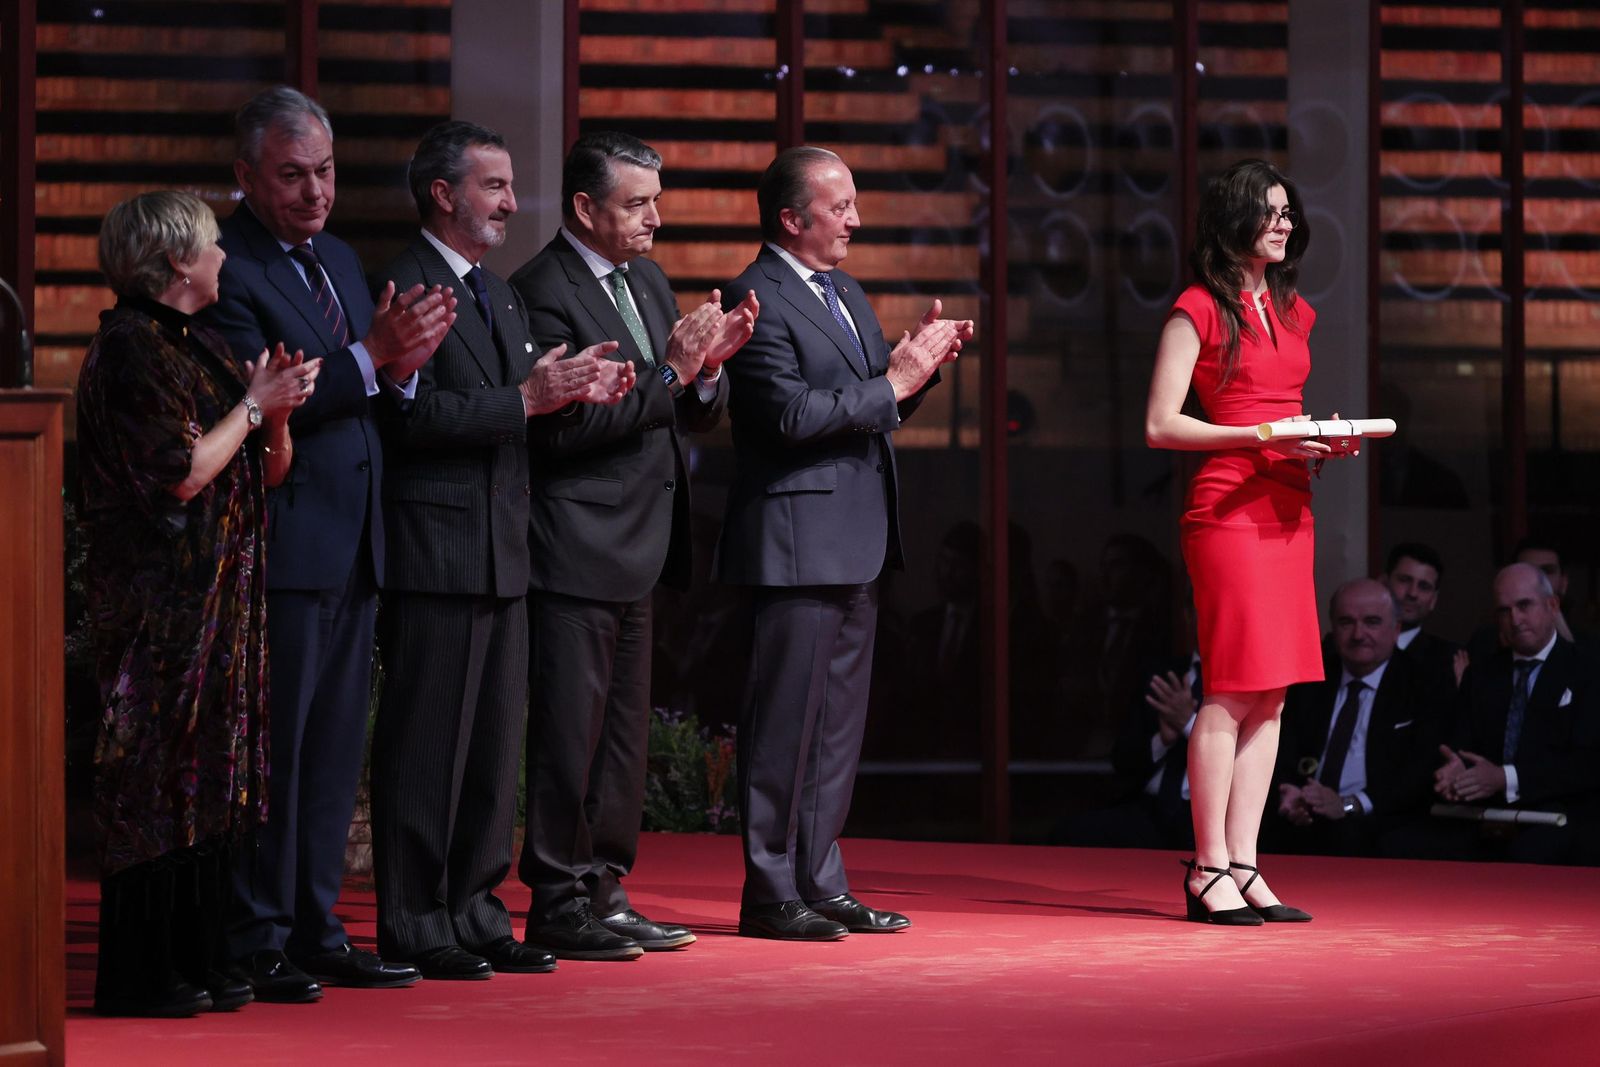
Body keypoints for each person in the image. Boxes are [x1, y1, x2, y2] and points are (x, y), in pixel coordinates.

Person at [200, 86, 454, 1000]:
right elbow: (279, 389)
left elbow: (373, 381)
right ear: (245, 177)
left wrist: (404, 373)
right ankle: (257, 931)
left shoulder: (341, 258)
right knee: (280, 749)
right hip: (284, 538)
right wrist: (373, 358)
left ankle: (316, 924)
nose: (315, 192)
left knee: (335, 749)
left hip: (357, 540)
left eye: (327, 172)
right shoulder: (224, 269)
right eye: (293, 174)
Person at [371, 120, 633, 980]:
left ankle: (478, 907)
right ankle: (416, 918)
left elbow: (521, 402)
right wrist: (526, 400)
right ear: (443, 194)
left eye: (513, 187)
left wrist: (575, 390)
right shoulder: (405, 284)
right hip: (437, 550)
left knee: (490, 749)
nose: (514, 205)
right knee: (427, 748)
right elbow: (410, 417)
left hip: (506, 549)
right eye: (495, 187)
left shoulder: (497, 292)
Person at [507, 132, 754, 960]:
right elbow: (562, 430)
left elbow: (677, 404)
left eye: (656, 199)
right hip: (575, 541)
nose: (655, 217)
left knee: (621, 737)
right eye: (636, 202)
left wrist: (709, 371)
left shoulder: (645, 278)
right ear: (585, 207)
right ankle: (556, 895)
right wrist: (675, 377)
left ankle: (607, 887)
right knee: (568, 733)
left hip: (642, 542)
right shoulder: (541, 290)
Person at [715, 146, 971, 940]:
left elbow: (870, 409)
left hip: (856, 536)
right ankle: (769, 888)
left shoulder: (848, 292)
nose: (856, 221)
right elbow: (788, 416)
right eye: (841, 208)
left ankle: (820, 878)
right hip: (794, 541)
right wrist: (891, 384)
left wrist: (914, 374)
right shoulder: (753, 296)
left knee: (835, 730)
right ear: (793, 220)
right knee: (783, 723)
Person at [78, 190, 319, 1016]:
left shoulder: (202, 345)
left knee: (214, 781)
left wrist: (274, 416)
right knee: (157, 782)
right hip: (160, 613)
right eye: (214, 246)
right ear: (178, 260)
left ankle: (206, 955)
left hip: (221, 605)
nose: (226, 259)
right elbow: (178, 471)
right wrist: (254, 408)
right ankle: (145, 972)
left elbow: (264, 466)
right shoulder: (129, 349)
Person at [1144, 158, 1331, 925]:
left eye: (1289, 211)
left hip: (1289, 504)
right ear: (1233, 221)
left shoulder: (1295, 310)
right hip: (1227, 508)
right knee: (1229, 687)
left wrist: (1316, 440)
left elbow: (1286, 409)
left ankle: (1247, 862)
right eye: (1269, 210)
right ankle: (1207, 865)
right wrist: (1261, 435)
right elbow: (1161, 423)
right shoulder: (1198, 307)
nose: (1284, 222)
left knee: (1274, 691)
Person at [1408, 563, 1600, 864]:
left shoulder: (1588, 670)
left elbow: (1588, 762)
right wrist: (1456, 770)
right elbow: (1461, 742)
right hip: (1485, 814)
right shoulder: (1482, 674)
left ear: (1552, 605)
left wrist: (1506, 778)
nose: (1515, 620)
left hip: (1559, 815)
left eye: (1524, 606)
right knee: (1407, 844)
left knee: (1532, 851)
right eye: (1503, 611)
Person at [1270, 580, 1443, 857]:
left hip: (1379, 820)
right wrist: (1290, 792)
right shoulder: (1310, 682)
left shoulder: (1423, 684)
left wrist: (1349, 804)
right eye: (1346, 622)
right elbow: (1282, 746)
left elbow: (1420, 770)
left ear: (1396, 629)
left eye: (1372, 622)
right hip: (1306, 812)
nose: (1358, 634)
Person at [1381, 542, 1462, 686]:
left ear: (1434, 600)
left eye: (1424, 587)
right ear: (1384, 584)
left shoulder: (1450, 661)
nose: (1412, 593)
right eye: (1405, 580)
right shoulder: (1342, 644)